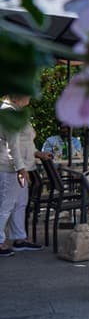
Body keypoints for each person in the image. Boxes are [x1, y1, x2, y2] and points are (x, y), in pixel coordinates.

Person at [0, 95, 45, 255]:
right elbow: (12, 145)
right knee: (6, 205)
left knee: (20, 204)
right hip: (10, 167)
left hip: (20, 166)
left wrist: (37, 153)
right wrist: (20, 168)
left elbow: (25, 141)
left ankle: (19, 239)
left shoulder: (15, 112)